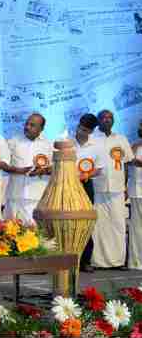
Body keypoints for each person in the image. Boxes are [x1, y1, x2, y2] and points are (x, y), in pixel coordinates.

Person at [91, 110, 133, 269]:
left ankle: (118, 261)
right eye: (103, 118)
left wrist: (125, 185)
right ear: (98, 121)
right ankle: (97, 261)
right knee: (98, 225)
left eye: (110, 118)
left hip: (117, 188)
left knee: (118, 223)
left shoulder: (121, 139)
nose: (107, 120)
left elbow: (127, 162)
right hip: (97, 187)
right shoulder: (92, 139)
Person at [4, 113, 52, 225]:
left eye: (32, 125)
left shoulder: (48, 145)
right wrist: (18, 171)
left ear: (41, 129)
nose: (27, 127)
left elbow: (55, 168)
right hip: (15, 195)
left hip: (37, 196)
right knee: (12, 232)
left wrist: (43, 171)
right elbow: (4, 165)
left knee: (36, 233)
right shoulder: (13, 142)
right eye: (26, 123)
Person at [71, 113, 104, 272]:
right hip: (66, 185)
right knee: (65, 221)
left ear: (91, 131)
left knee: (85, 222)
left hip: (85, 185)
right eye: (80, 128)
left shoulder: (96, 146)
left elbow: (99, 169)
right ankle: (65, 260)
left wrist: (87, 175)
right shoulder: (66, 141)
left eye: (85, 130)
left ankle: (85, 260)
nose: (80, 132)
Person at [128, 119, 142, 269]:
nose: (140, 128)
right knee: (136, 228)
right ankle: (136, 262)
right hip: (136, 191)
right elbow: (126, 163)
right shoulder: (134, 145)